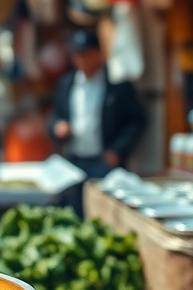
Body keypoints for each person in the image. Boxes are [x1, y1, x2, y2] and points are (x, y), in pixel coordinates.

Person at [49, 28, 146, 181]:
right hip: (74, 159)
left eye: (86, 54)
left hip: (104, 162)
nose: (82, 60)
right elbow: (57, 115)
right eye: (77, 55)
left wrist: (117, 149)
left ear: (98, 53)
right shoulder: (66, 84)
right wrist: (58, 127)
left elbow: (137, 120)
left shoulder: (116, 83)